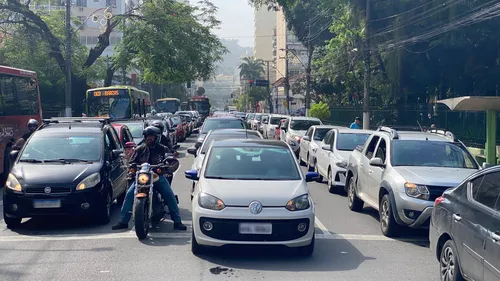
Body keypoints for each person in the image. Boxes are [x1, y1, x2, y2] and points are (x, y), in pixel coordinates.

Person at [112, 126, 187, 231]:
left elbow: (171, 160)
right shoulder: (139, 149)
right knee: (129, 194)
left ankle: (177, 221)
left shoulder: (162, 149)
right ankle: (123, 221)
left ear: (157, 138)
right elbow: (132, 161)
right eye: (147, 136)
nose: (149, 138)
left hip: (157, 176)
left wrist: (168, 167)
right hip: (142, 176)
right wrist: (132, 167)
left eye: (151, 136)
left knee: (169, 195)